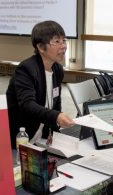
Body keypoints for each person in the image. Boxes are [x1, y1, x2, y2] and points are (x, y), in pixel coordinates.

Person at [6, 20, 75, 148]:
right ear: (41, 47)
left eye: (64, 40)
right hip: (21, 139)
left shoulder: (57, 69)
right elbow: (27, 104)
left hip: (42, 140)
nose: (63, 46)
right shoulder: (26, 69)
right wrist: (56, 116)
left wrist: (55, 134)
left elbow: (56, 103)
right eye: (57, 41)